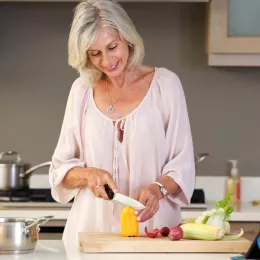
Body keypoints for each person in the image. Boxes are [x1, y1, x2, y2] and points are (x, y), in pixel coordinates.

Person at [49, 0, 195, 246]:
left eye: (112, 47)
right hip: (90, 237)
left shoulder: (165, 85)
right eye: (94, 53)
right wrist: (90, 175)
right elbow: (59, 172)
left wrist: (158, 189)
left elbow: (183, 164)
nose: (106, 60)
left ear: (127, 38)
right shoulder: (81, 90)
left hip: (153, 234)